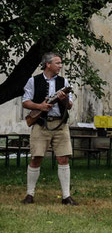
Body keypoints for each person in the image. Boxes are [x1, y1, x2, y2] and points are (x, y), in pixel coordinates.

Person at [21, 52, 77, 205]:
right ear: (48, 64)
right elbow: (25, 101)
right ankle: (29, 194)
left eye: (60, 63)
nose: (60, 66)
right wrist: (40, 106)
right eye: (57, 63)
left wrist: (64, 99)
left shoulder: (63, 81)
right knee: (36, 158)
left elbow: (70, 105)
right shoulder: (33, 81)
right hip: (41, 124)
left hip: (60, 124)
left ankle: (66, 196)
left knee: (63, 158)